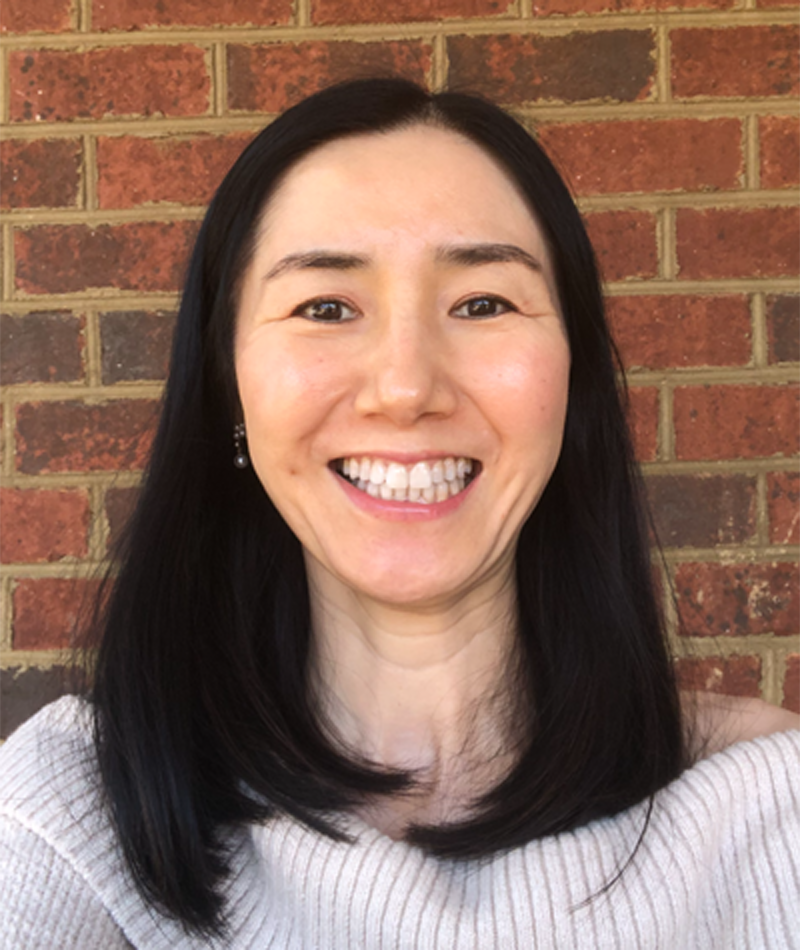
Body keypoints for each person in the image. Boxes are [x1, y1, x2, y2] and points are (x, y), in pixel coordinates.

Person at [1, 78, 798, 949]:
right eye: (326, 307)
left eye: (483, 303)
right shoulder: (74, 813)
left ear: (572, 387)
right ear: (229, 385)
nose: (407, 387)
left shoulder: (767, 808)